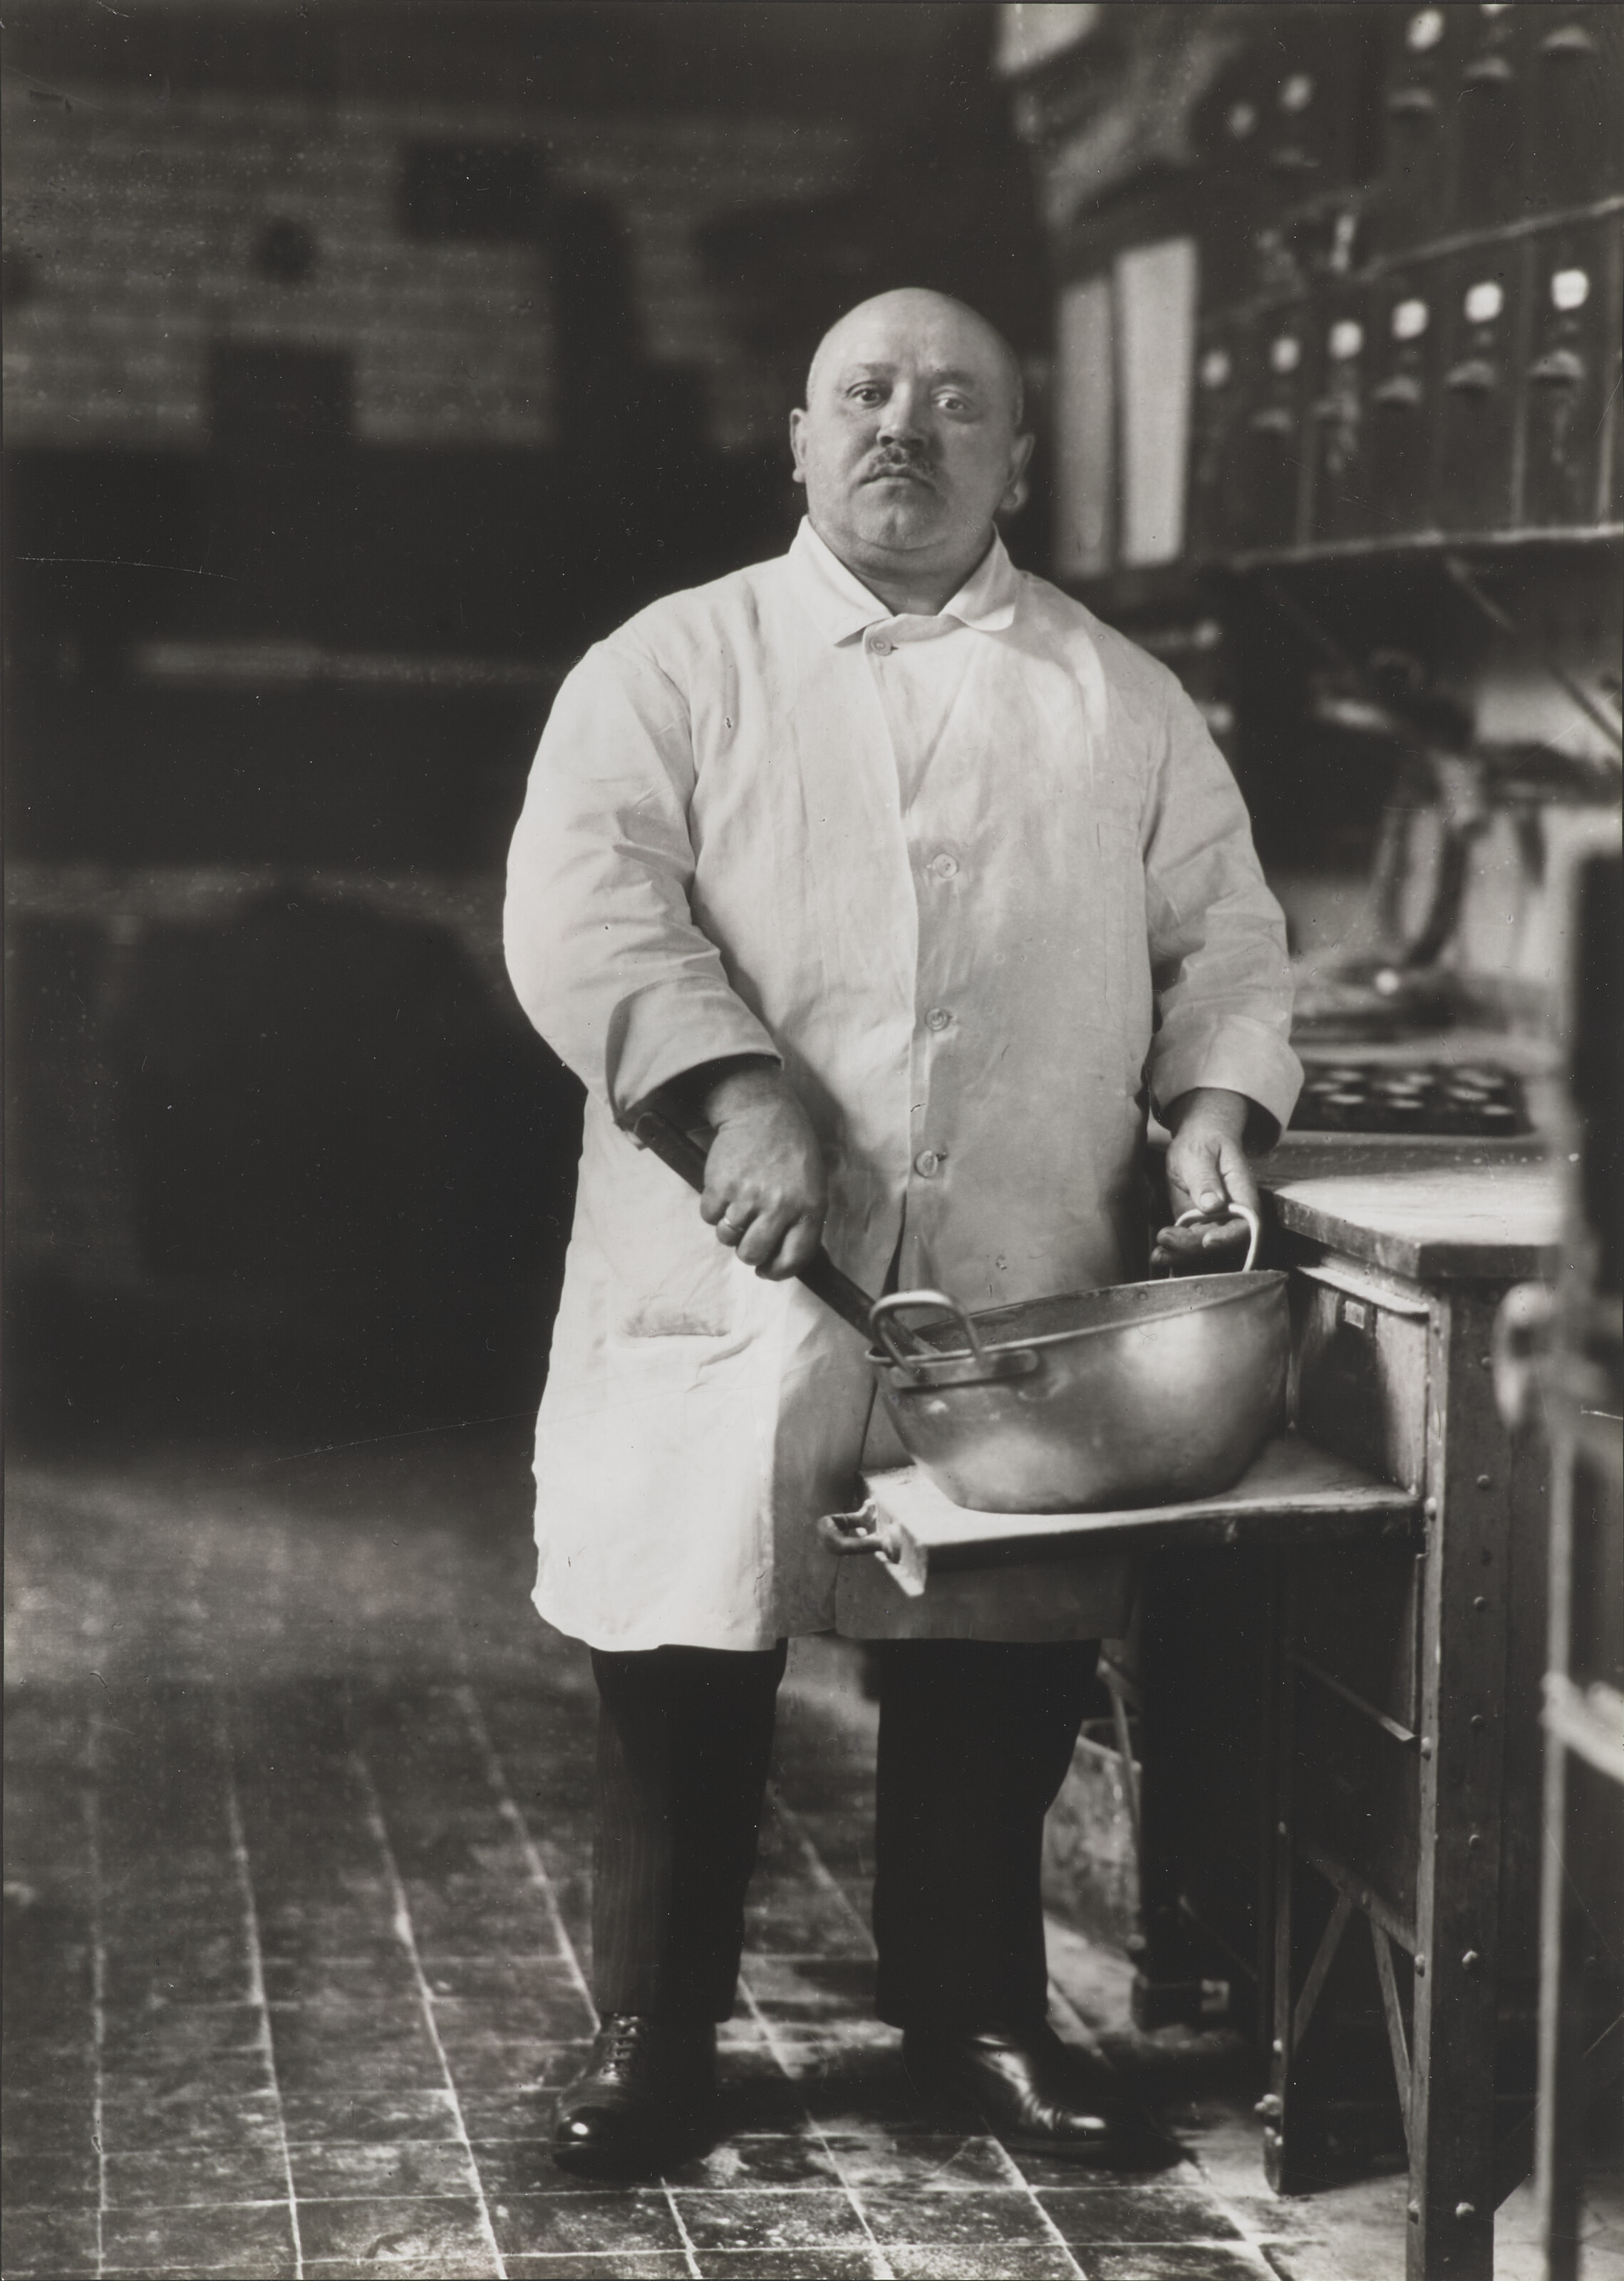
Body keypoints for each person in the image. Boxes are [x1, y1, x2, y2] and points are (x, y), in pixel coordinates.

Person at [504, 287, 1300, 2177]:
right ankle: (656, 2029)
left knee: (995, 1662)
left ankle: (974, 2016)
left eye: (957, 405)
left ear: (1018, 459)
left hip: (1014, 1264)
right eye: (865, 393)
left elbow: (1232, 946)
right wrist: (730, 1088)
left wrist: (1209, 1112)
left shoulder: (1117, 695)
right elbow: (585, 911)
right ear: (795, 436)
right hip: (737, 1266)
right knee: (688, 1650)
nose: (906, 431)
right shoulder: (675, 665)